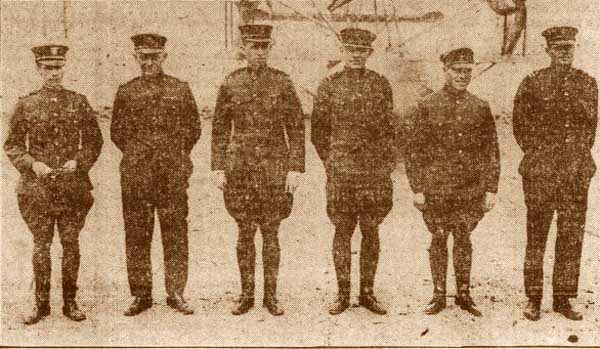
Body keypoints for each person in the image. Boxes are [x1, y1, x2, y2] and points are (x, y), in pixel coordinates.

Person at [4, 44, 103, 324]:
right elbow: (12, 146)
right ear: (38, 69)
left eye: (58, 67)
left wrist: (79, 162)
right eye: (48, 68)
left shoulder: (78, 101)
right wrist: (33, 164)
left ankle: (70, 303)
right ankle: (41, 304)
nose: (54, 73)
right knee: (41, 246)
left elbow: (94, 141)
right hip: (38, 189)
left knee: (71, 244)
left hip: (72, 187)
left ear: (64, 68)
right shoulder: (26, 104)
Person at [211, 24, 305, 316]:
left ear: (270, 48)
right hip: (240, 170)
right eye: (254, 46)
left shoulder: (283, 83)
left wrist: (295, 168)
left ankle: (271, 296)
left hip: (274, 170)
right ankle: (247, 295)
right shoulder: (231, 83)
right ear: (244, 48)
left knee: (272, 233)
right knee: (244, 232)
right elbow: (219, 130)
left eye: (264, 46)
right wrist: (218, 168)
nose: (259, 52)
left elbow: (297, 128)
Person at [111, 33, 202, 316]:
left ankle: (176, 293)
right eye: (143, 57)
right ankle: (141, 295)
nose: (149, 62)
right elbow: (117, 133)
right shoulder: (126, 92)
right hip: (137, 175)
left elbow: (193, 129)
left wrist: (173, 155)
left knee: (175, 233)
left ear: (164, 57)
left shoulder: (180, 89)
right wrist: (141, 154)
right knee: (137, 234)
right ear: (135, 58)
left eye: (154, 56)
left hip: (172, 175)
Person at [405, 47, 500, 317]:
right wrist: (418, 188)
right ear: (445, 70)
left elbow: (491, 151)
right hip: (436, 188)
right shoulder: (427, 105)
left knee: (463, 238)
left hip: (469, 189)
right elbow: (414, 151)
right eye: (457, 71)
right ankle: (438, 296)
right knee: (438, 238)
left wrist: (491, 188)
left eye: (467, 71)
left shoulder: (480, 106)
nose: (462, 76)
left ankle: (464, 294)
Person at [513, 26, 598, 321]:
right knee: (537, 235)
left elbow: (590, 129)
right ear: (548, 50)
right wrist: (542, 157)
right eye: (559, 48)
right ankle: (533, 298)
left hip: (574, 172)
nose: (565, 53)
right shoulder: (533, 83)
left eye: (569, 48)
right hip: (541, 173)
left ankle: (563, 298)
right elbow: (520, 128)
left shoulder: (588, 83)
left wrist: (574, 159)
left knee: (571, 235)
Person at [311, 27, 396, 316]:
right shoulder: (329, 85)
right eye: (351, 50)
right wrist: (332, 162)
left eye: (362, 51)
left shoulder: (380, 85)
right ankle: (343, 294)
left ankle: (368, 293)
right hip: (342, 172)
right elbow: (319, 132)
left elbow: (389, 130)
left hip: (373, 173)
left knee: (371, 231)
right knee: (342, 230)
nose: (356, 55)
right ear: (342, 52)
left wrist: (383, 167)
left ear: (369, 53)